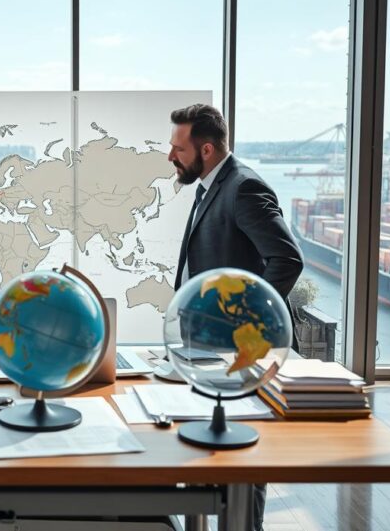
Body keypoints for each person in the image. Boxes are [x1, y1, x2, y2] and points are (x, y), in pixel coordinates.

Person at [169, 103, 303, 531]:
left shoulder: (244, 188)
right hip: (209, 347)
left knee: (243, 460)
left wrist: (245, 320)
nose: (171, 156)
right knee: (212, 446)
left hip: (241, 350)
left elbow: (287, 259)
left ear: (206, 149)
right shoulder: (210, 186)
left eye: (178, 149)